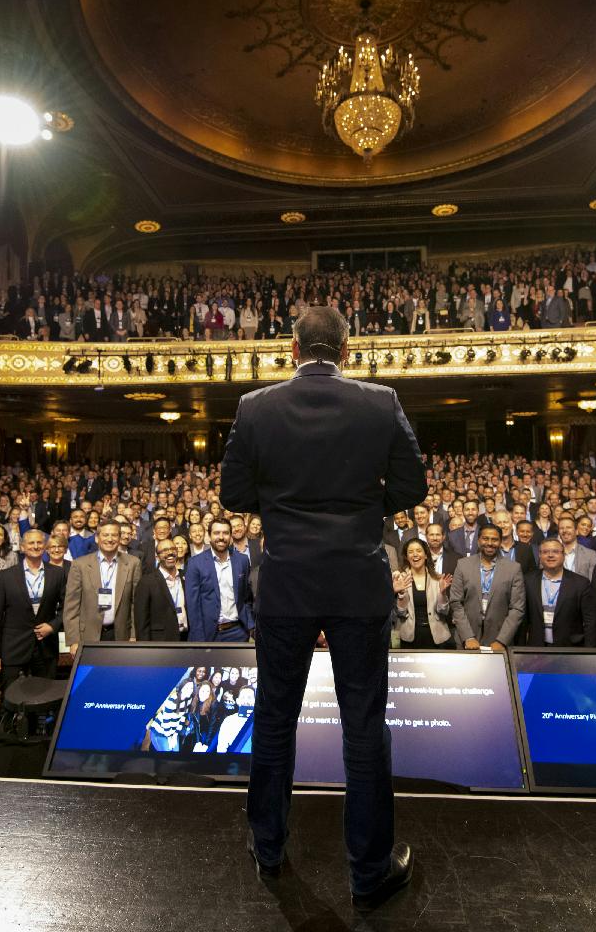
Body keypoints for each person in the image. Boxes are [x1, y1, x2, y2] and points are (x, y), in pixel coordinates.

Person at [219, 304, 426, 905]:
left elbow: (234, 493)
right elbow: (412, 486)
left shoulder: (256, 408)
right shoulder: (380, 402)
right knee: (364, 729)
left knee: (275, 720)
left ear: (292, 349)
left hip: (285, 585)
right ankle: (369, 872)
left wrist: (286, 511)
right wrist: (358, 513)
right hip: (358, 586)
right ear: (346, 348)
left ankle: (268, 847)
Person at [0, 529, 67, 691]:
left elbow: (68, 608)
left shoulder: (58, 574)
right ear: (22, 547)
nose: (36, 546)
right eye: (31, 543)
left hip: (46, 648)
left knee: (45, 696)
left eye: (39, 542)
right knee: (9, 699)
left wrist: (52, 626)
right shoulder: (6, 576)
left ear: (45, 546)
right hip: (14, 647)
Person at [62, 520, 142, 650]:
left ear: (119, 538)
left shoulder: (133, 563)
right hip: (87, 636)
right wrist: (74, 641)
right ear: (97, 538)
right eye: (105, 535)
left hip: (121, 635)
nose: (110, 539)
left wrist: (133, 635)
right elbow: (71, 606)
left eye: (114, 535)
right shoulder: (80, 565)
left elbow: (135, 603)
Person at [447, 524, 527, 651]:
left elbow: (517, 608)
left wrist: (502, 640)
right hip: (466, 639)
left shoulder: (514, 568)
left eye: (494, 539)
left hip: (499, 642)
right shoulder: (463, 565)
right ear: (478, 541)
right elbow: (456, 602)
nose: (489, 543)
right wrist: (468, 636)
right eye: (485, 538)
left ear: (500, 542)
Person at [185, 517, 254, 642]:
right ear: (209, 536)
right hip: (209, 634)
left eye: (225, 533)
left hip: (239, 631)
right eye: (216, 533)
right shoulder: (195, 563)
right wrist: (199, 639)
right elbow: (193, 605)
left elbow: (247, 598)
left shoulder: (242, 560)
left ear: (231, 536)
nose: (221, 537)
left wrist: (249, 625)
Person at [524, 537, 592, 646]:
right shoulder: (528, 581)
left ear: (563, 555)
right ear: (539, 556)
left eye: (555, 551)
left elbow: (590, 622)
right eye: (545, 552)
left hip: (570, 648)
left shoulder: (581, 583)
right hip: (536, 648)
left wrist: (589, 652)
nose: (550, 555)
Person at [392, 538, 452, 650]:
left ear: (425, 555)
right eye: (410, 552)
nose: (415, 554)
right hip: (409, 637)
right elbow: (400, 613)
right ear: (406, 557)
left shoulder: (438, 578)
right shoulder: (401, 578)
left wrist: (442, 594)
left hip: (437, 637)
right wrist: (401, 593)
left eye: (419, 551)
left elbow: (444, 611)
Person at [134, 538, 188, 640]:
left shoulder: (186, 577)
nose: (170, 553)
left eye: (173, 549)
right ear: (157, 557)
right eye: (164, 551)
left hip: (187, 639)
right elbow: (141, 621)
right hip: (161, 642)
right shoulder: (146, 582)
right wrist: (145, 648)